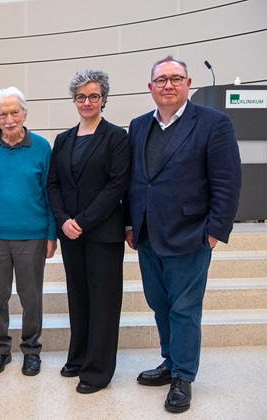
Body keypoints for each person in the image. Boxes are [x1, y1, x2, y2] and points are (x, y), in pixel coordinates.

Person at [125, 56, 241, 413]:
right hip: (147, 234)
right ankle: (170, 361)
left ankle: (184, 377)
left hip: (191, 234)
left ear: (188, 83)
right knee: (160, 305)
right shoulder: (139, 125)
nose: (168, 85)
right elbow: (135, 180)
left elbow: (227, 182)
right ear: (150, 88)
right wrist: (130, 223)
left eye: (176, 78)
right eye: (161, 80)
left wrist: (214, 232)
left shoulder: (213, 124)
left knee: (185, 309)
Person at [47, 70, 131, 393]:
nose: (87, 102)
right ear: (74, 100)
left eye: (93, 96)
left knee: (104, 302)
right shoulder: (63, 139)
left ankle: (97, 371)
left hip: (102, 234)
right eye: (81, 97)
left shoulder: (116, 138)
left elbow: (116, 186)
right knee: (78, 298)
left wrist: (82, 220)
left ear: (104, 99)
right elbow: (53, 184)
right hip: (71, 234)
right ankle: (79, 356)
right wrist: (63, 220)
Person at [0, 87, 57, 377]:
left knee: (30, 297)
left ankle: (31, 350)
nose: (9, 119)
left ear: (24, 112)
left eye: (14, 112)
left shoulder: (42, 148)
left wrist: (51, 233)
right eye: (2, 113)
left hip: (32, 236)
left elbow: (50, 193)